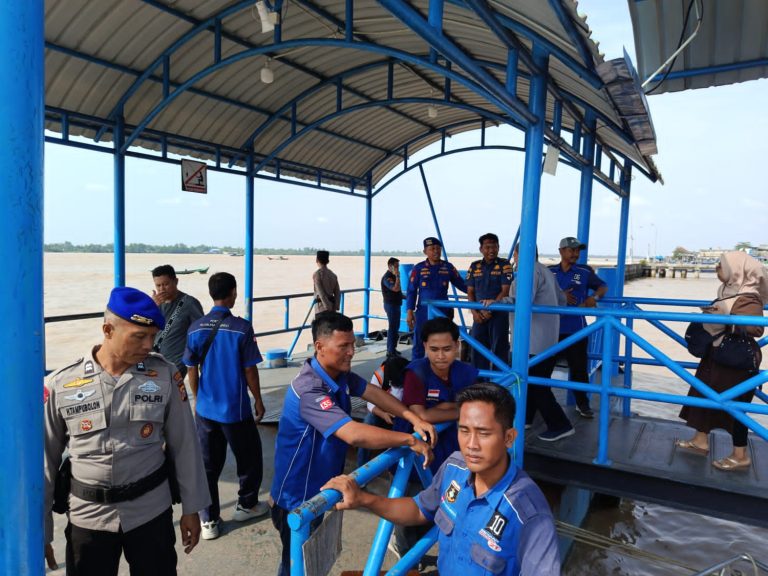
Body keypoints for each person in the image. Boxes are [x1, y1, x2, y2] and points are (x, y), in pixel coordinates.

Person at [43, 287, 210, 575]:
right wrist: (41, 529)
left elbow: (185, 445)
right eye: (139, 336)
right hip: (88, 516)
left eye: (153, 336)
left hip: (150, 511)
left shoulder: (165, 376)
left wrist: (192, 509)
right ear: (108, 330)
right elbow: (44, 459)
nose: (149, 345)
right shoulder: (62, 384)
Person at [323, 382, 562, 576]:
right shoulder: (454, 468)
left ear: (509, 438)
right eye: (464, 430)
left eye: (484, 433)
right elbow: (418, 509)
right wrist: (363, 499)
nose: (471, 445)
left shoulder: (528, 513)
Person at [270, 311, 437, 576]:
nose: (351, 352)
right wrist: (408, 439)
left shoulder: (339, 374)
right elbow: (352, 434)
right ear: (319, 347)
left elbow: (372, 392)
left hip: (323, 488)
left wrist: (411, 417)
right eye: (343, 346)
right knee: (296, 566)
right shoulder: (309, 390)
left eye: (352, 344)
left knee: (315, 562)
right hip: (298, 496)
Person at [184, 272, 268, 540]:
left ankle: (208, 520)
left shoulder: (195, 328)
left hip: (206, 410)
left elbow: (191, 370)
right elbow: (250, 370)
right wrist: (258, 399)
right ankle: (246, 505)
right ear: (232, 292)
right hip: (235, 409)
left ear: (212, 294)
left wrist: (198, 399)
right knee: (249, 458)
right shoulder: (242, 328)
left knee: (208, 465)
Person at [390, 317, 479, 557]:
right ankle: (405, 551)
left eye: (447, 349)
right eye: (434, 349)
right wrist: (457, 409)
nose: (440, 356)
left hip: (448, 445)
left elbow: (474, 406)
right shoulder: (416, 372)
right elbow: (421, 414)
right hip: (415, 448)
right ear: (424, 347)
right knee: (412, 498)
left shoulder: (466, 373)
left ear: (457, 345)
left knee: (444, 496)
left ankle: (424, 547)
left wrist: (441, 410)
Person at [676, 251, 767, 471]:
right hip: (717, 355)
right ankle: (700, 440)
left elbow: (756, 328)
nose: (718, 269)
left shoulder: (749, 295)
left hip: (735, 361)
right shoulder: (727, 290)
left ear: (737, 269)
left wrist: (724, 319)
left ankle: (740, 455)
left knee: (735, 406)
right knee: (703, 394)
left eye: (721, 265)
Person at [508, 245, 574, 441]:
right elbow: (562, 300)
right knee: (532, 382)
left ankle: (560, 424)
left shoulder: (529, 272)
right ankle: (526, 418)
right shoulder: (545, 271)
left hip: (531, 341)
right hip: (548, 339)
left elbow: (522, 301)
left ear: (517, 255)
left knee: (537, 385)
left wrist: (498, 302)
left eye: (515, 255)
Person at [549, 237, 608, 418]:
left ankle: (582, 404)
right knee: (542, 369)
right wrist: (561, 296)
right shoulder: (549, 271)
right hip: (550, 329)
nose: (575, 254)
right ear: (561, 251)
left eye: (577, 250)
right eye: (571, 250)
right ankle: (537, 404)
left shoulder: (584, 271)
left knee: (579, 369)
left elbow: (603, 287)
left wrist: (593, 298)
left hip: (576, 329)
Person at [406, 237, 467, 360]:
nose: (435, 251)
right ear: (425, 251)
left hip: (443, 312)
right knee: (419, 342)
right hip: (423, 312)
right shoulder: (418, 268)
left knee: (443, 342)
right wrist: (409, 311)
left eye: (438, 248)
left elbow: (462, 285)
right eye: (432, 249)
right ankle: (416, 369)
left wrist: (478, 294)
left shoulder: (448, 267)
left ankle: (441, 367)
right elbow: (411, 291)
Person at [466, 233, 513, 371]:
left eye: (494, 247)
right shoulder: (474, 266)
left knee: (500, 349)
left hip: (499, 314)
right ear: (481, 249)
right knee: (478, 348)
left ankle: (499, 381)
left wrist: (490, 309)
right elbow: (470, 291)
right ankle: (480, 380)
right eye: (487, 247)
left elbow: (505, 290)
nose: (491, 250)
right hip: (479, 315)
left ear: (498, 248)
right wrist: (474, 312)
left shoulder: (505, 265)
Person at [151, 264, 204, 378]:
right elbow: (144, 329)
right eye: (158, 285)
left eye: (166, 284)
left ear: (176, 281)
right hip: (154, 358)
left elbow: (201, 333)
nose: (162, 289)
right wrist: (150, 308)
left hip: (177, 362)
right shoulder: (155, 304)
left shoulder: (190, 303)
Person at [357, 354, 410, 467]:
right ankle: (361, 467)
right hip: (382, 411)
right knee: (368, 425)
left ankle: (398, 467)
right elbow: (370, 403)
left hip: (404, 411)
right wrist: (383, 414)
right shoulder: (379, 375)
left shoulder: (410, 372)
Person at [382, 257, 405, 357]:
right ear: (390, 266)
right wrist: (398, 276)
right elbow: (395, 288)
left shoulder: (393, 276)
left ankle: (393, 348)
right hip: (391, 305)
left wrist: (406, 297)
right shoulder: (387, 277)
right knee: (392, 328)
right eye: (396, 266)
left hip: (396, 304)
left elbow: (397, 292)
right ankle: (390, 351)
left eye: (398, 266)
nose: (397, 268)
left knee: (396, 327)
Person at [312, 250, 340, 314]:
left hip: (321, 309)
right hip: (333, 308)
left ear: (317, 260)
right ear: (328, 261)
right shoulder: (333, 275)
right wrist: (336, 306)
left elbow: (321, 293)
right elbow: (338, 293)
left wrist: (328, 307)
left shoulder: (317, 274)